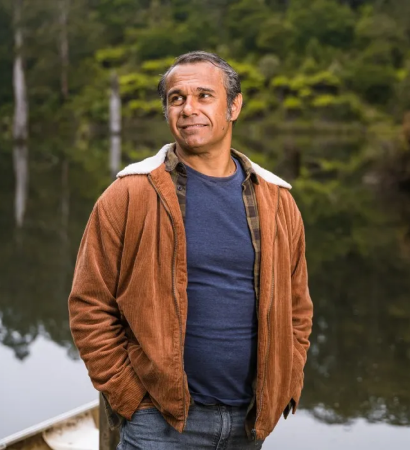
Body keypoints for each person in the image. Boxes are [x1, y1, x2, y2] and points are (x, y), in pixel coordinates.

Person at [68, 51, 313, 450]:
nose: (188, 109)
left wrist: (288, 378)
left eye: (204, 95)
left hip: (249, 422)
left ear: (234, 106)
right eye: (176, 98)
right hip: (159, 424)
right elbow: (89, 305)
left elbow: (297, 309)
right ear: (167, 111)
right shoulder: (129, 194)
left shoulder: (276, 200)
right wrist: (131, 398)